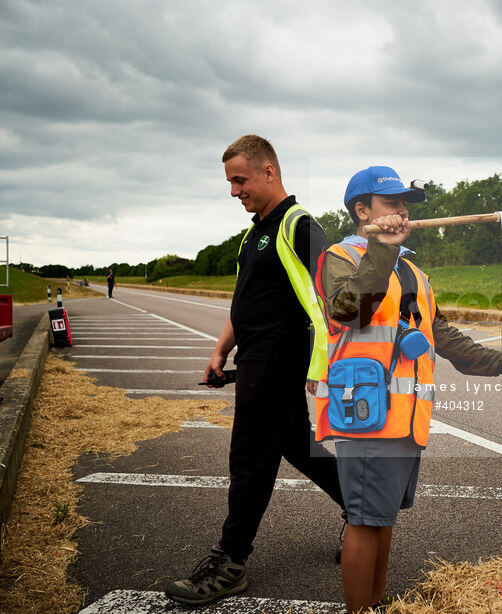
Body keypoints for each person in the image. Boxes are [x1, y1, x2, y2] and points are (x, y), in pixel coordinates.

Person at [165, 135, 345, 606]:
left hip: (277, 364)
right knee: (297, 448)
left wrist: (321, 364)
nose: (234, 191)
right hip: (254, 359)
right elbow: (246, 300)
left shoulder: (299, 226)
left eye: (240, 180)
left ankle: (231, 561)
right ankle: (363, 507)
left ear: (269, 171)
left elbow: (331, 299)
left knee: (249, 460)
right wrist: (221, 348)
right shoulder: (254, 231)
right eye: (230, 182)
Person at [315, 166, 502, 614]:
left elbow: (442, 336)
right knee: (363, 520)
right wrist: (382, 249)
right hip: (364, 411)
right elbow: (350, 310)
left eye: (405, 205)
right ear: (362, 211)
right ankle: (360, 610)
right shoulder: (340, 256)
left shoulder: (411, 268)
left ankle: (378, 604)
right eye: (391, 204)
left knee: (382, 518)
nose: (401, 212)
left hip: (405, 417)